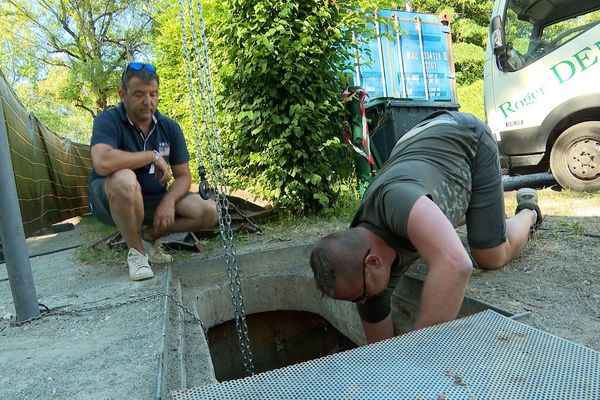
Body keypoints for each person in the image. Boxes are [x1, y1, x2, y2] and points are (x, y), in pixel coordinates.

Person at [310, 110, 542, 343]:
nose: (362, 303)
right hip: (417, 150)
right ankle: (478, 214)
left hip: (465, 137)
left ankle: (529, 211)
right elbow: (380, 350)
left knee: (490, 255)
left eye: (360, 297)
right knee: (430, 224)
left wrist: (419, 351)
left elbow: (456, 265)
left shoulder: (397, 201)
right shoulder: (360, 260)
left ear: (373, 262)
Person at [88, 62, 218, 281]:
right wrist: (151, 155)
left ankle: (149, 238)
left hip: (153, 199)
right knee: (124, 178)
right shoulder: (107, 120)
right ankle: (137, 254)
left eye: (153, 94)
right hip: (110, 200)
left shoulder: (170, 127)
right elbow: (102, 161)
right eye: (139, 94)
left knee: (209, 210)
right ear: (123, 94)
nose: (148, 101)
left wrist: (169, 201)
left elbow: (184, 176)